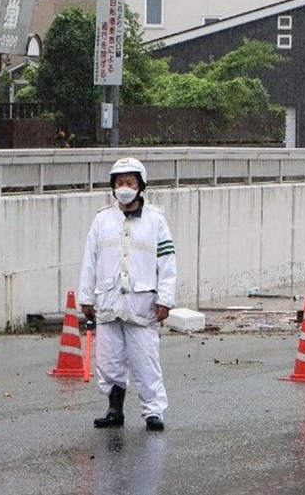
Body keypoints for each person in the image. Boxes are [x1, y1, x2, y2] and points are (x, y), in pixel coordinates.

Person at [78, 157, 177, 432]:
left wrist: (165, 299)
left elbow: (167, 262)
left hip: (142, 305)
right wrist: (87, 298)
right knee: (109, 363)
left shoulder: (156, 221)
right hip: (108, 302)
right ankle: (114, 409)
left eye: (130, 183)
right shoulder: (101, 220)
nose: (124, 187)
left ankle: (153, 413)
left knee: (146, 362)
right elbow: (90, 259)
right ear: (112, 186)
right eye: (120, 183)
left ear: (140, 186)